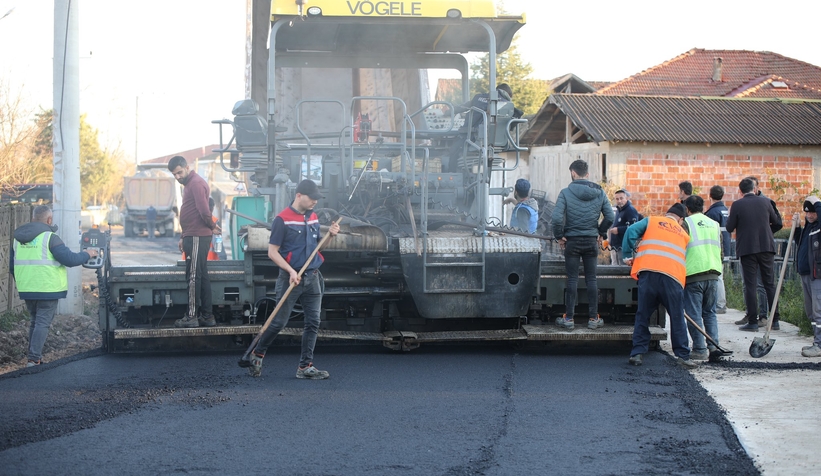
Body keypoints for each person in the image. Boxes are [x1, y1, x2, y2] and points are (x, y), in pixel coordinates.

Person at [247, 179, 340, 379]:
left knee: (313, 322)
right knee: (279, 322)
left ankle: (305, 367)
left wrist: (330, 236)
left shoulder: (313, 217)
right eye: (312, 197)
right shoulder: (282, 219)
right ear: (299, 195)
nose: (315, 201)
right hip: (291, 278)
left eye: (317, 198)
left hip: (312, 277)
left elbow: (317, 248)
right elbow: (272, 252)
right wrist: (290, 271)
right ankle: (258, 353)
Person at [9, 205, 98, 367]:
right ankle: (33, 358)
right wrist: (88, 254)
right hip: (47, 288)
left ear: (34, 217)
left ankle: (34, 357)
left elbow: (11, 266)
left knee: (35, 322)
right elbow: (70, 259)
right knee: (42, 322)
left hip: (27, 288)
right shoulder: (50, 237)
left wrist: (25, 281)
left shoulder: (18, 238)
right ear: (49, 220)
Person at [622, 203, 697, 368]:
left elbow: (631, 231)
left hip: (649, 275)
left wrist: (627, 255)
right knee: (677, 317)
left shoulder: (652, 221)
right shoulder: (684, 235)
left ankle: (637, 353)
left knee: (643, 315)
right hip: (672, 278)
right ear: (681, 219)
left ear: (667, 214)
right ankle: (683, 356)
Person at [551, 159, 614, 330]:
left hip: (572, 241)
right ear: (587, 174)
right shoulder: (599, 192)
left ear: (573, 173)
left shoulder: (565, 192)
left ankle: (569, 319)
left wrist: (560, 236)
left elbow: (556, 219)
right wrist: (601, 232)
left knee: (572, 279)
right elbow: (610, 217)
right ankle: (593, 319)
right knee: (591, 279)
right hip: (590, 241)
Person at [167, 155, 220, 328]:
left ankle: (191, 317)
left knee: (193, 277)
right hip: (193, 235)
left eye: (179, 172)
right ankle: (207, 316)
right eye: (174, 174)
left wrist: (212, 225)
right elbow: (190, 212)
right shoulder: (190, 184)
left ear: (187, 167)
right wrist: (183, 236)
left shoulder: (196, 183)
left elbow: (204, 210)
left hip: (197, 236)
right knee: (202, 276)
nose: (177, 177)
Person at [726, 178, 783, 331]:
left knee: (750, 285)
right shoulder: (766, 202)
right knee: (769, 283)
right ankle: (775, 320)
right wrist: (766, 233)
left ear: (740, 191)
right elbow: (776, 221)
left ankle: (752, 322)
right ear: (755, 189)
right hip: (766, 247)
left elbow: (729, 227)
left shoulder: (737, 204)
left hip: (747, 248)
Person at [681, 196, 724, 361]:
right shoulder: (714, 224)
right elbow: (721, 250)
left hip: (693, 273)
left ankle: (699, 349)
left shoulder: (686, 224)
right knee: (710, 312)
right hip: (713, 272)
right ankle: (713, 347)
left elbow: (680, 247)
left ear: (687, 209)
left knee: (694, 314)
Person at [447, 83, 523, 168]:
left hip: (471, 138)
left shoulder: (478, 98)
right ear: (508, 95)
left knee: (453, 149)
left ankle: (451, 172)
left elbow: (462, 107)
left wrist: (448, 110)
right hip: (497, 144)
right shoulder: (510, 107)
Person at [795, 197, 821, 357]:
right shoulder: (809, 228)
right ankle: (816, 341)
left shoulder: (819, 228)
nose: (810, 215)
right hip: (805, 273)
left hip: (817, 276)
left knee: (819, 311)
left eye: (812, 212)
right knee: (811, 312)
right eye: (807, 213)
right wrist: (797, 228)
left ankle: (819, 345)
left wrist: (817, 203)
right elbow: (801, 244)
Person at [704, 185, 731, 313]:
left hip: (717, 249)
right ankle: (720, 303)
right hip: (725, 246)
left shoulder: (713, 213)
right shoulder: (724, 210)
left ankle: (720, 304)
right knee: (720, 276)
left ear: (710, 195)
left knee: (718, 276)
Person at [608, 188, 640, 265]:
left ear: (626, 198)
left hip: (624, 246)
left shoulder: (630, 210)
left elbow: (634, 227)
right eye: (617, 199)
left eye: (621, 198)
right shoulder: (619, 210)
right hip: (616, 245)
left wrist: (619, 230)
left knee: (623, 269)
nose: (619, 201)